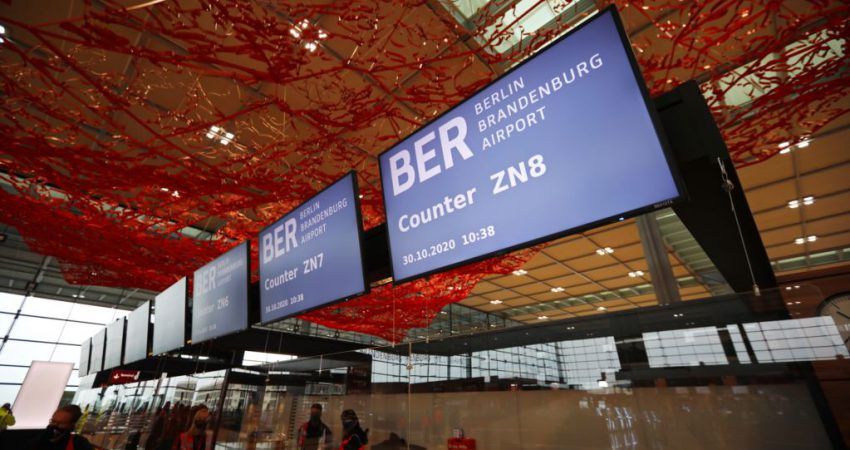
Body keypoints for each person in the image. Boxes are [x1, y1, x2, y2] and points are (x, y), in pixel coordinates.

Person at [28, 404, 94, 450]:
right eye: (53, 421)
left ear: (71, 425)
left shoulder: (79, 444)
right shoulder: (40, 438)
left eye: (61, 423)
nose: (54, 425)